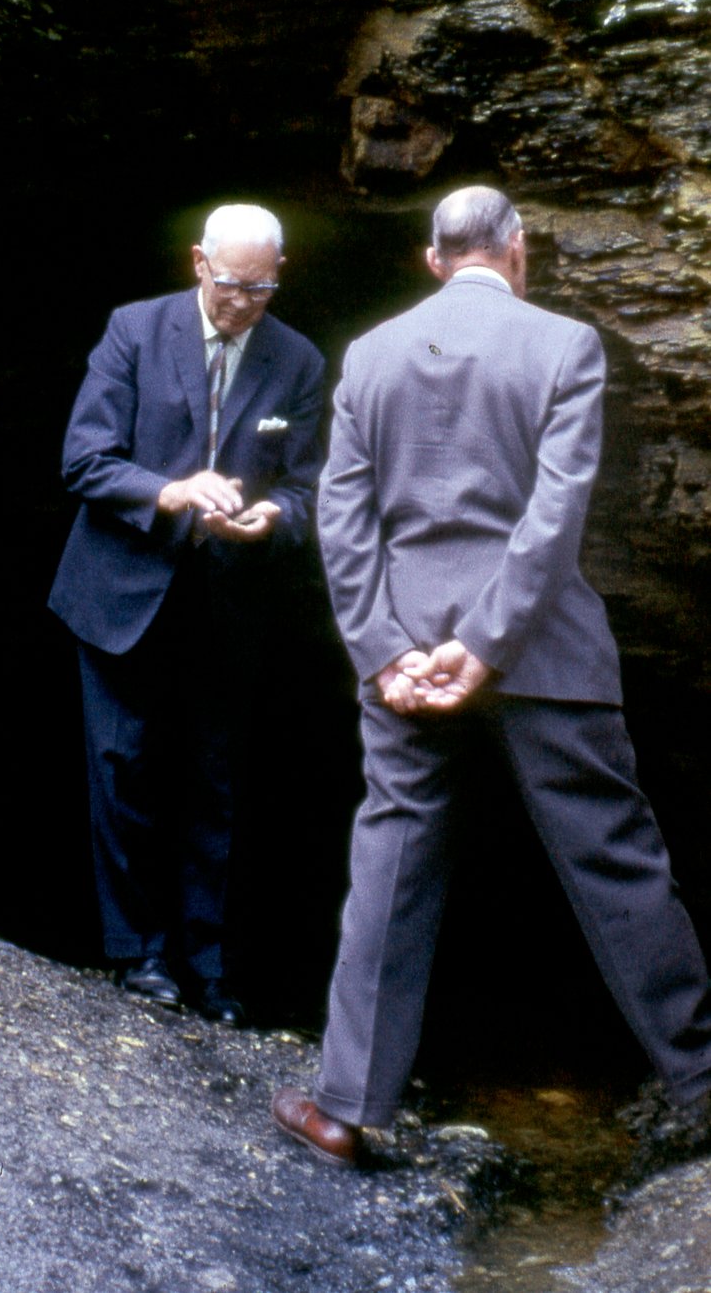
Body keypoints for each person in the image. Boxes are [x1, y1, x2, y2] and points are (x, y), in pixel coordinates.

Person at [272, 185, 711, 1166]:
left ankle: (346, 1106)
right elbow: (554, 514)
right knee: (618, 863)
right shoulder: (565, 346)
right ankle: (705, 1077)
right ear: (518, 249)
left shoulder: (372, 354)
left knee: (389, 862)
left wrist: (387, 647)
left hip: (406, 652)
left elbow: (343, 521)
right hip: (540, 645)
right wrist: (490, 640)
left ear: (434, 259)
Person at [49, 203, 326, 1024]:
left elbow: (311, 490)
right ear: (200, 263)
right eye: (234, 284)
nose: (245, 303)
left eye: (264, 288)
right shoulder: (134, 330)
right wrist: (171, 490)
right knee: (121, 766)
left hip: (227, 598)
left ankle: (208, 968)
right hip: (120, 589)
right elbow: (84, 460)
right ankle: (138, 954)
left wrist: (272, 518)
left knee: (216, 783)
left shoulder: (299, 360)